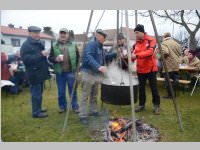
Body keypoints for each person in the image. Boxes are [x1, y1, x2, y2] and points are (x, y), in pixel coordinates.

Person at [79, 29, 117, 124]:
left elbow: (106, 56)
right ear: (98, 36)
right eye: (104, 37)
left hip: (96, 74)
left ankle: (93, 110)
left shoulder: (100, 47)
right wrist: (98, 66)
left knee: (94, 94)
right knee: (85, 95)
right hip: (88, 73)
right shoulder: (92, 44)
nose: (105, 39)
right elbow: (88, 57)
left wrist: (116, 53)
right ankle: (83, 115)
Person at [20, 26, 50, 118]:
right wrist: (40, 54)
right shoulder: (26, 45)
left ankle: (38, 108)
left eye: (38, 33)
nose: (37, 35)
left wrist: (47, 61)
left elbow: (41, 58)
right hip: (33, 73)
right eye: (35, 33)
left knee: (39, 93)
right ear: (30, 33)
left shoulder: (38, 43)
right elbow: (26, 60)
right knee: (36, 94)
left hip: (40, 72)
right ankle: (36, 113)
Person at [48, 28, 79, 113]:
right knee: (61, 91)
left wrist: (77, 69)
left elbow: (78, 57)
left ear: (67, 35)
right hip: (60, 73)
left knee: (72, 90)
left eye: (64, 33)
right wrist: (55, 59)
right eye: (61, 33)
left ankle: (75, 106)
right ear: (59, 34)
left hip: (71, 72)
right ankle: (62, 107)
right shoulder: (54, 45)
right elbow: (50, 58)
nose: (63, 35)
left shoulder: (73, 44)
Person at [131, 24, 160, 115]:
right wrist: (130, 57)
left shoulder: (151, 40)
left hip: (151, 69)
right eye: (135, 33)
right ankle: (141, 105)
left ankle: (156, 105)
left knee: (153, 88)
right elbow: (133, 54)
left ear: (142, 32)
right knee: (141, 88)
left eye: (137, 33)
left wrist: (137, 55)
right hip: (140, 69)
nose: (136, 35)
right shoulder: (136, 43)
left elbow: (150, 52)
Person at [161, 32, 181, 99]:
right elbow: (180, 53)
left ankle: (170, 95)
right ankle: (176, 81)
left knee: (167, 81)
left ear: (164, 37)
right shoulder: (177, 43)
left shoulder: (163, 43)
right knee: (175, 77)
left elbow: (165, 52)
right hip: (176, 64)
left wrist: (159, 57)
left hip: (168, 65)